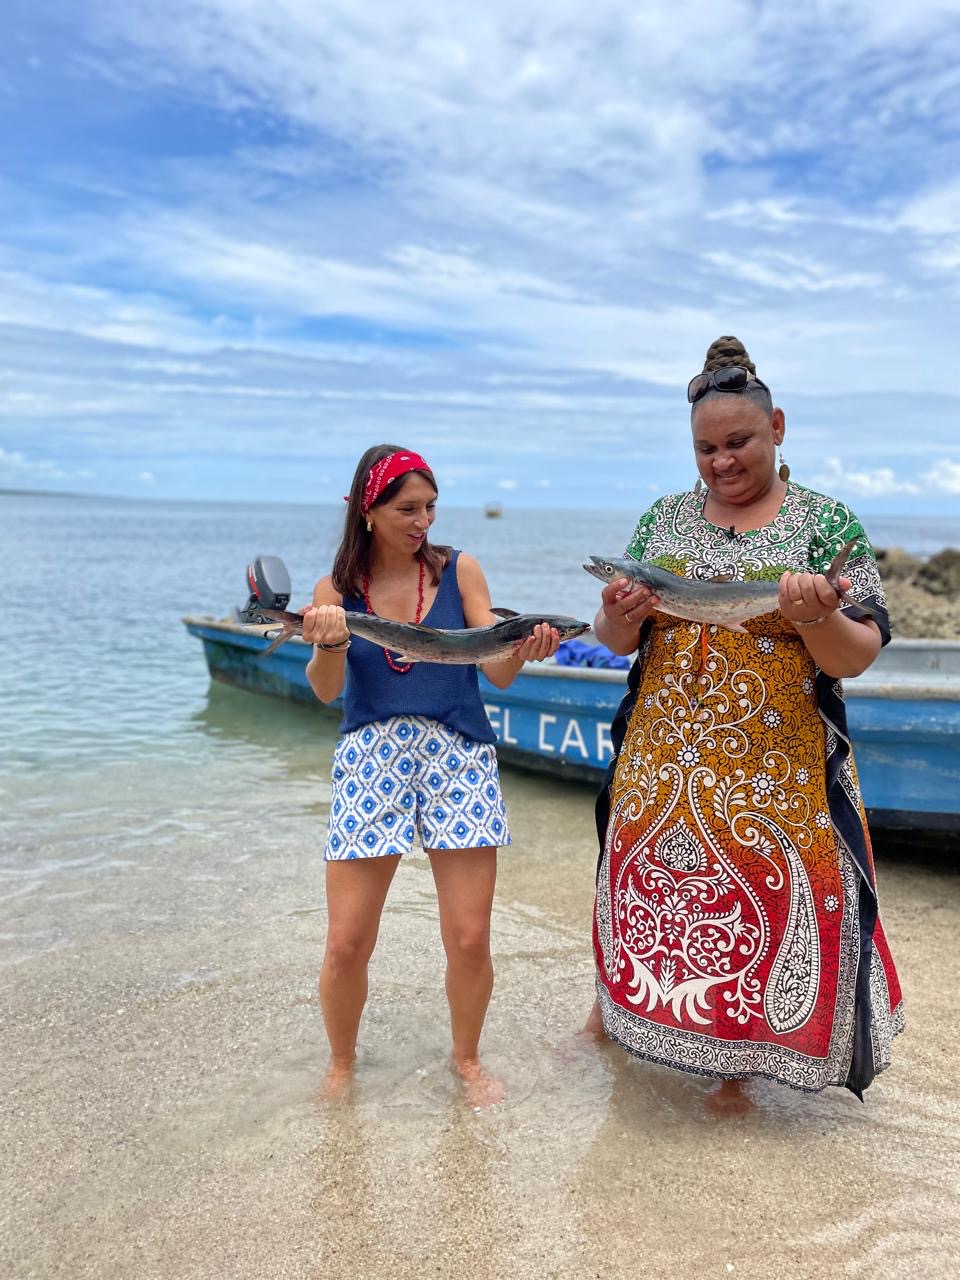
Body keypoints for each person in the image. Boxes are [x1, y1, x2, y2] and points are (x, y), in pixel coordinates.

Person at [584, 336, 903, 1113]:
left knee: (758, 909)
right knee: (649, 898)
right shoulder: (661, 523)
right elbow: (615, 639)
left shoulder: (828, 528)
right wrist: (617, 613)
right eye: (705, 449)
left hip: (775, 771)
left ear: (778, 428)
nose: (721, 462)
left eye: (738, 443)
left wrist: (813, 621)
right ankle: (618, 1016)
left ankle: (737, 1072)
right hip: (664, 763)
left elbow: (856, 654)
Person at [302, 444, 559, 1106]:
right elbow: (326, 692)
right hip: (370, 757)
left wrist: (524, 648)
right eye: (408, 508)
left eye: (431, 507)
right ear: (369, 512)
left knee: (470, 938)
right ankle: (341, 1062)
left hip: (459, 755)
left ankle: (467, 1060)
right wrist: (330, 641)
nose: (424, 521)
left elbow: (495, 670)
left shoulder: (460, 569)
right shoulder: (335, 592)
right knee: (346, 943)